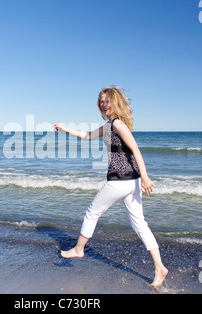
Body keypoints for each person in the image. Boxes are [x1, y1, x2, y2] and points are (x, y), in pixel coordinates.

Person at [53, 86, 168, 287]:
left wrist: (146, 177)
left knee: (91, 212)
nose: (103, 105)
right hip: (130, 182)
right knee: (139, 223)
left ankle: (79, 249)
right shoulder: (109, 125)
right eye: (101, 101)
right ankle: (159, 267)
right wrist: (65, 129)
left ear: (115, 103)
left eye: (107, 101)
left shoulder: (117, 124)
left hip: (120, 181)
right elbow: (88, 135)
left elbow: (135, 150)